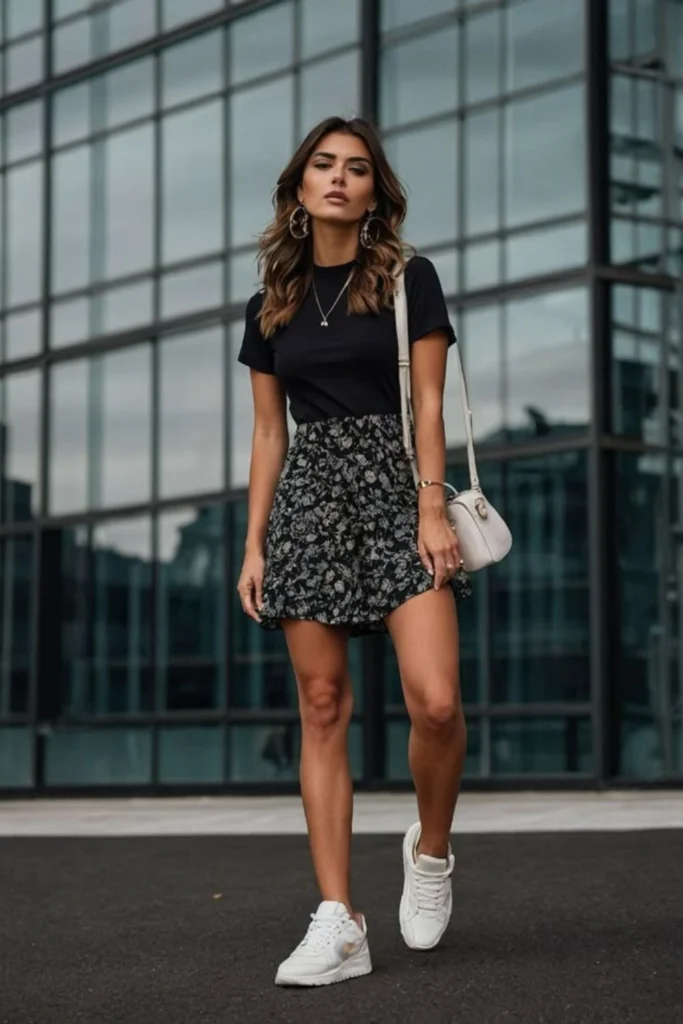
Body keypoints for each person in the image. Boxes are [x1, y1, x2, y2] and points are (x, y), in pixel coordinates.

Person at [236, 116, 471, 988]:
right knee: (323, 702)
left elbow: (430, 407)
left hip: (396, 489)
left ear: (375, 192)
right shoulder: (272, 301)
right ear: (299, 189)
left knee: (436, 702)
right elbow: (267, 434)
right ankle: (339, 920)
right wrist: (254, 542)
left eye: (357, 169)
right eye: (323, 166)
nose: (338, 178)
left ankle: (432, 853)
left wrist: (431, 508)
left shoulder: (411, 279)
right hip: (309, 499)